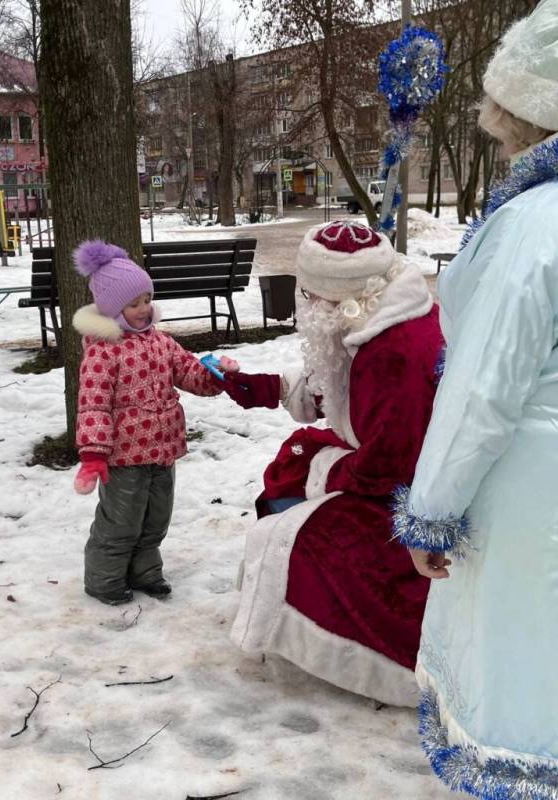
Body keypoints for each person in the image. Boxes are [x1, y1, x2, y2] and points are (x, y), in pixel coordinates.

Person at [392, 1, 558, 795]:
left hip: (533, 497)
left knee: (527, 692)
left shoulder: (534, 225)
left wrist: (432, 509)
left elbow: (485, 389)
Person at [224, 220, 444, 707]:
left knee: (296, 529)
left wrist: (321, 469)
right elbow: (334, 377)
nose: (305, 304)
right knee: (294, 460)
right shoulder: (376, 313)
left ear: (335, 297)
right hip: (392, 469)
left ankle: (364, 653)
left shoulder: (396, 354)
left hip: (417, 500)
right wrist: (267, 388)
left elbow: (388, 468)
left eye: (309, 294)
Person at [72, 240, 238, 606]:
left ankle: (145, 572)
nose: (144, 309)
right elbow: (93, 404)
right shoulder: (103, 350)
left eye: (147, 299)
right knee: (121, 521)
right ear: (113, 309)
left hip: (162, 449)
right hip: (123, 455)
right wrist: (93, 454)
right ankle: (104, 579)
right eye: (134, 304)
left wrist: (215, 375)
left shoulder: (160, 342)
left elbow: (189, 371)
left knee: (156, 518)